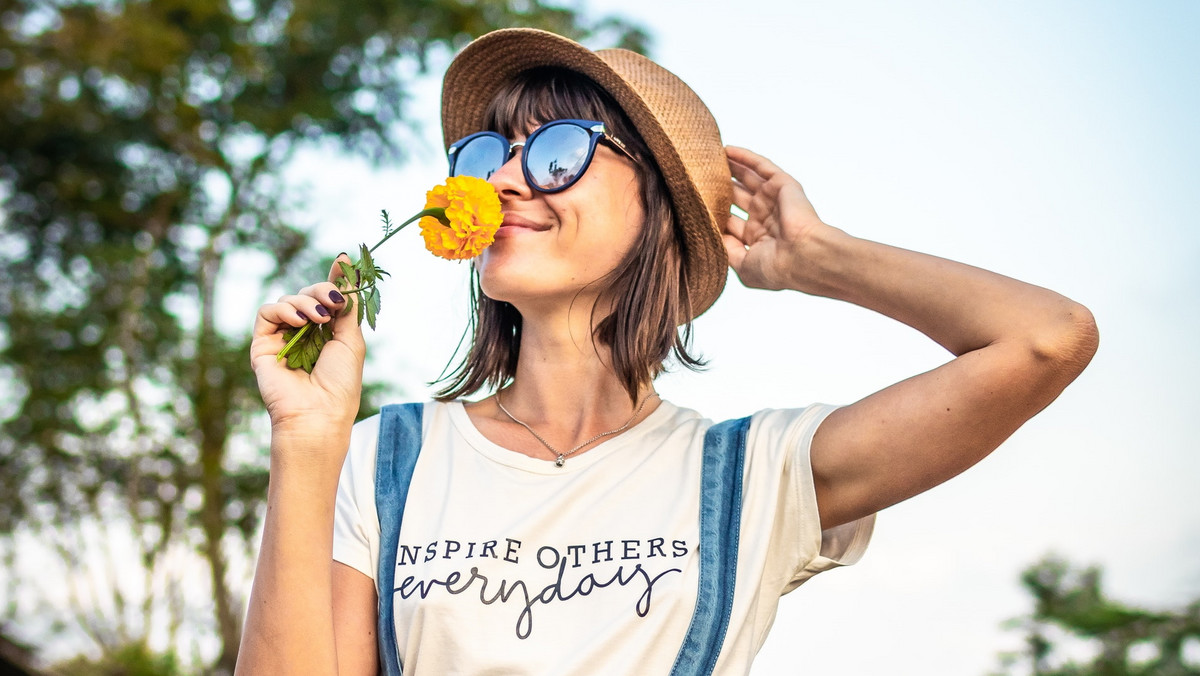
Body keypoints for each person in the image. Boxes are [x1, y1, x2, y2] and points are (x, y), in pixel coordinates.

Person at [235, 28, 1098, 676]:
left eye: (559, 151)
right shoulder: (388, 456)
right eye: (490, 152)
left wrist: (819, 260)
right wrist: (307, 440)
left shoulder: (752, 475)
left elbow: (1046, 338)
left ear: (660, 210)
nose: (501, 181)